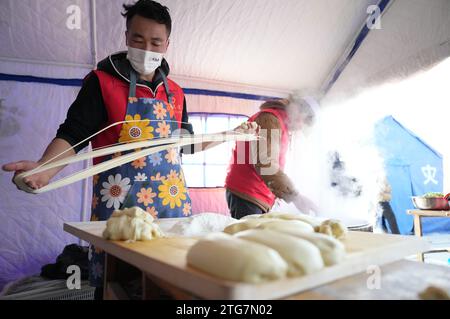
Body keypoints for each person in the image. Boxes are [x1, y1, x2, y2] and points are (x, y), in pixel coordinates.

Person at [2, 0, 254, 299]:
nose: (146, 49)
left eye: (155, 42)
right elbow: (75, 132)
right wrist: (45, 169)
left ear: (167, 44)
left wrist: (229, 135)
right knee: (117, 284)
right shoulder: (102, 82)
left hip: (171, 210)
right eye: (138, 39)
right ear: (126, 37)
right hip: (120, 210)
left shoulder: (175, 92)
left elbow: (184, 145)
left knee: (167, 285)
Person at [225, 98, 319, 219]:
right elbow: (265, 164)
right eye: (303, 123)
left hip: (253, 192)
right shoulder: (270, 120)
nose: (300, 128)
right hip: (248, 192)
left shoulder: (278, 122)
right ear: (298, 112)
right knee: (250, 237)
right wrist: (295, 197)